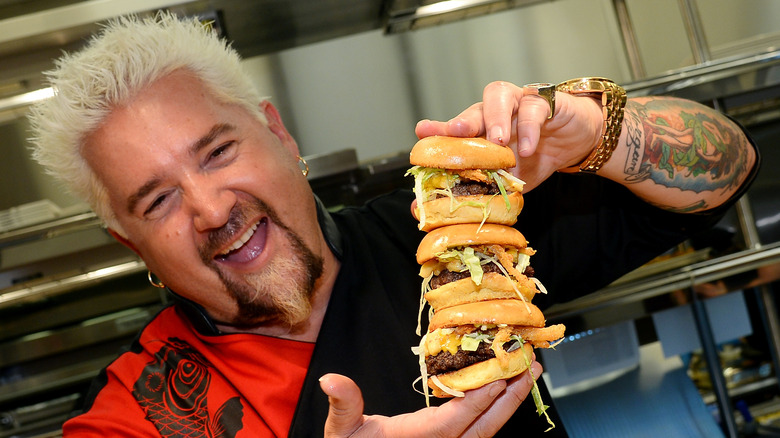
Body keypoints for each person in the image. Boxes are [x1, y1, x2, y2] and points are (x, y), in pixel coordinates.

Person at [28, 12, 758, 438]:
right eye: (156, 201)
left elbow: (728, 166)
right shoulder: (138, 411)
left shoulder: (451, 236)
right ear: (134, 247)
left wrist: (599, 134)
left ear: (280, 137)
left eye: (218, 152)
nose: (212, 210)